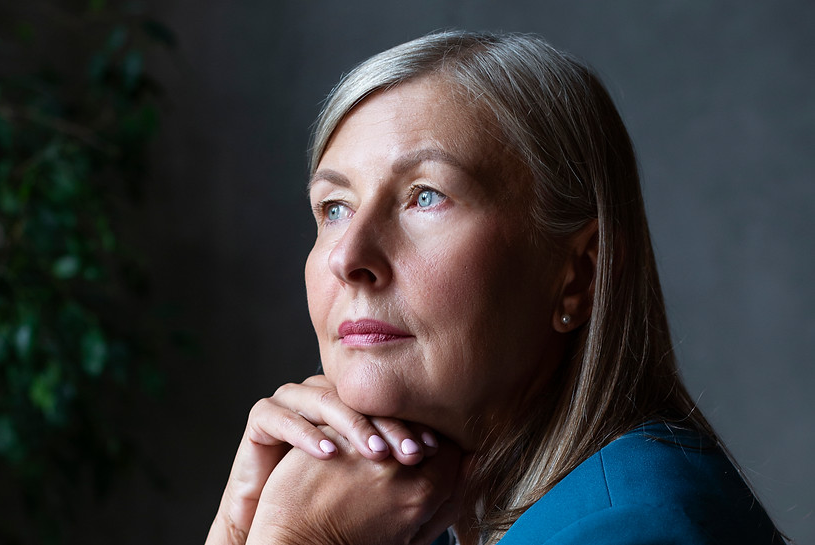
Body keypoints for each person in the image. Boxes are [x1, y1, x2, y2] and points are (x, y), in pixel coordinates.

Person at [205, 31, 786, 545]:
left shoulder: (635, 530)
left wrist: (295, 538)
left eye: (425, 196)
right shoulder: (413, 515)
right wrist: (236, 527)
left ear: (578, 274)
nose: (349, 258)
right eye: (334, 207)